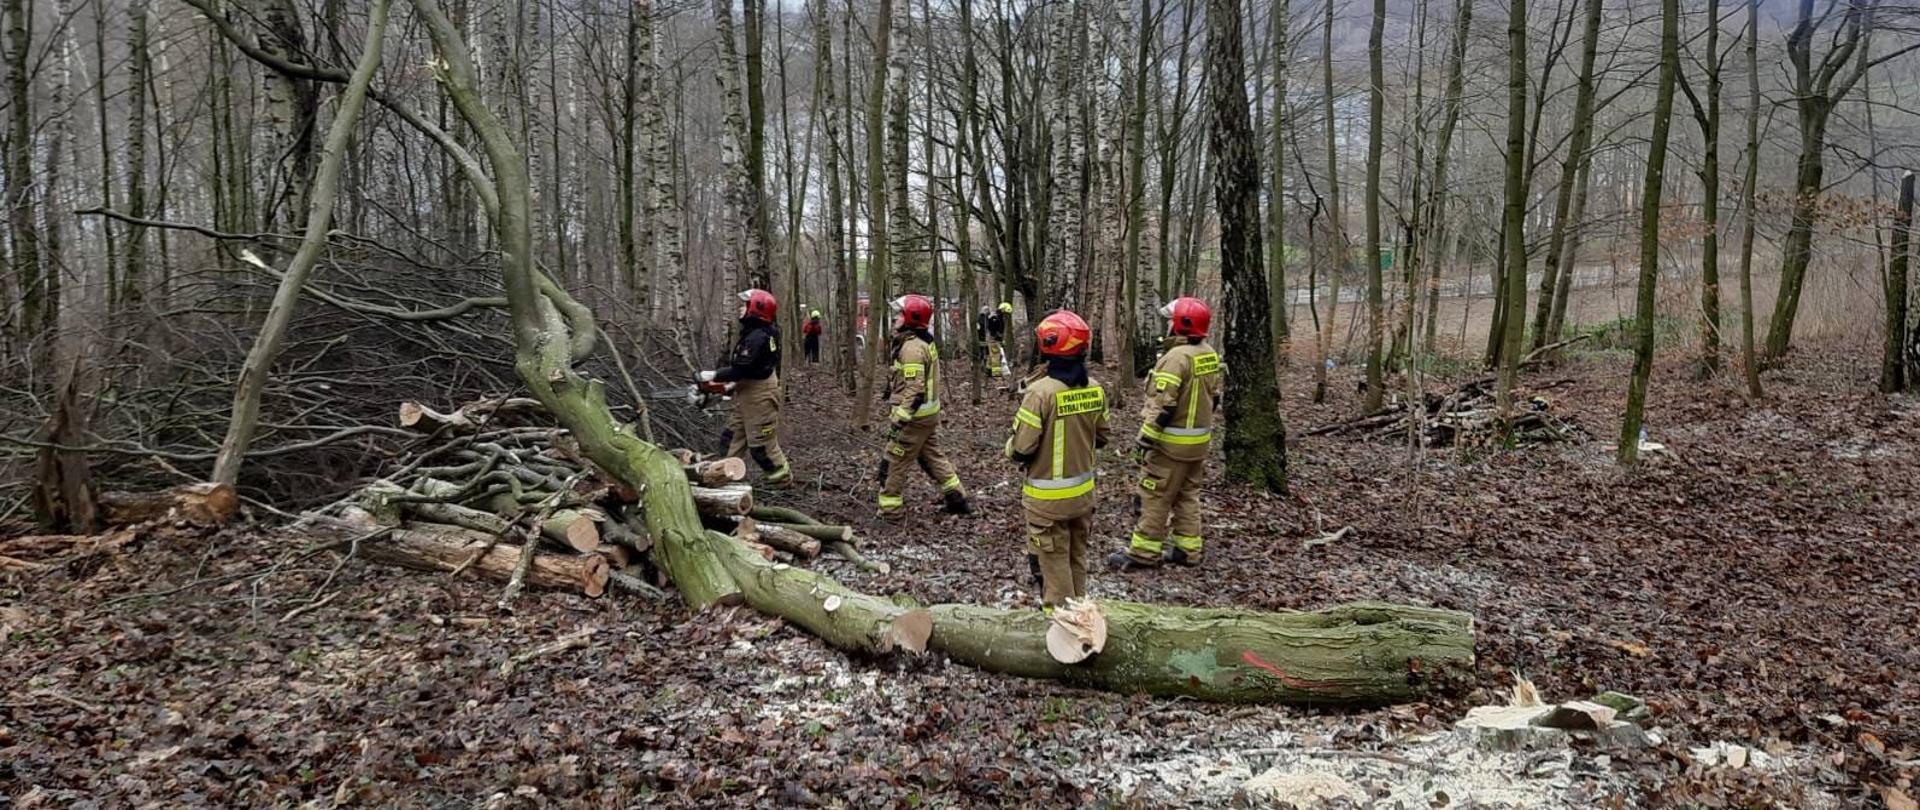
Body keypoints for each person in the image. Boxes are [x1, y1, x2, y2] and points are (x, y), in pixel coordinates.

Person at [1005, 309, 1110, 605]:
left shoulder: (1040, 393)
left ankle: (1063, 627)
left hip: (1046, 501)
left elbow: (1022, 449)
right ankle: (1081, 614)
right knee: (1077, 558)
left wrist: (1009, 447)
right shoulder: (1095, 389)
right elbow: (1102, 437)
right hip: (1083, 497)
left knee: (1051, 566)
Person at [1110, 297, 1222, 570]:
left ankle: (1144, 554)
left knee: (1154, 495)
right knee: (1187, 495)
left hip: (1170, 445)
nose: (1169, 324)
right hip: (1198, 443)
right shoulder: (1209, 354)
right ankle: (1188, 550)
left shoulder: (1175, 359)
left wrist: (1143, 442)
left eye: (1173, 320)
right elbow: (1214, 398)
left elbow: (1163, 407)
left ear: (1182, 324)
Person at [877, 294, 970, 518]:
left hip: (914, 419)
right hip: (927, 418)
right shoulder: (922, 341)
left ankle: (890, 510)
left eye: (899, 314)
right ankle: (957, 498)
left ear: (911, 317)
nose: (895, 319)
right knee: (932, 457)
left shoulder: (912, 349)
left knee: (894, 462)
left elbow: (915, 390)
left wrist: (899, 419)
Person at [701, 289, 792, 487]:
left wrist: (713, 376)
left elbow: (742, 367)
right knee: (731, 437)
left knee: (761, 447)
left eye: (744, 305)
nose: (740, 308)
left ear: (756, 309)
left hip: (760, 396)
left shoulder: (759, 337)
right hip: (749, 392)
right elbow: (750, 368)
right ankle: (723, 478)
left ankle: (783, 484)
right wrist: (731, 385)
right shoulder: (756, 333)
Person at [980, 302, 1011, 378]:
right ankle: (996, 373)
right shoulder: (994, 318)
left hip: (996, 340)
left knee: (992, 356)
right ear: (1003, 310)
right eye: (1006, 313)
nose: (1006, 316)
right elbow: (992, 328)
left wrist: (1001, 339)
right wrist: (996, 335)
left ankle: (988, 370)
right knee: (995, 356)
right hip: (993, 340)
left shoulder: (999, 318)